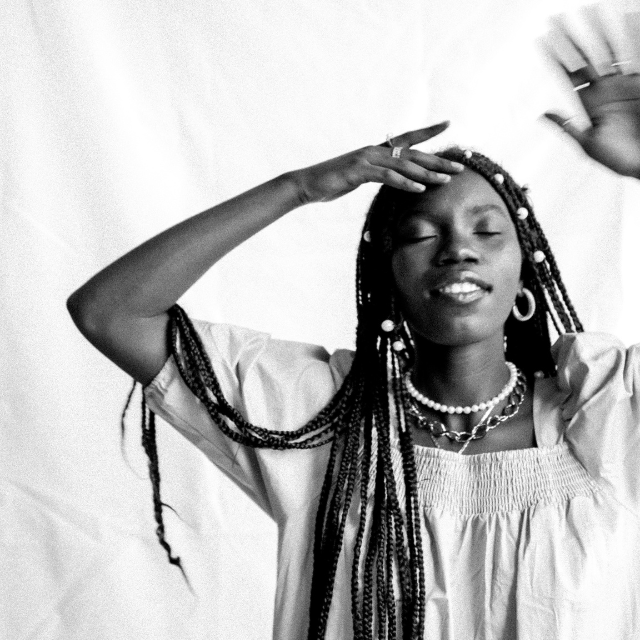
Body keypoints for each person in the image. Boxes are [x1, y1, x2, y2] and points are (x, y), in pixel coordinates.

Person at [67, 14, 640, 640]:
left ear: (524, 271)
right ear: (386, 278)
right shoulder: (320, 419)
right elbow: (111, 310)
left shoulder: (607, 418)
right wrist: (301, 186)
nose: (458, 251)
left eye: (487, 231)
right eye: (421, 235)